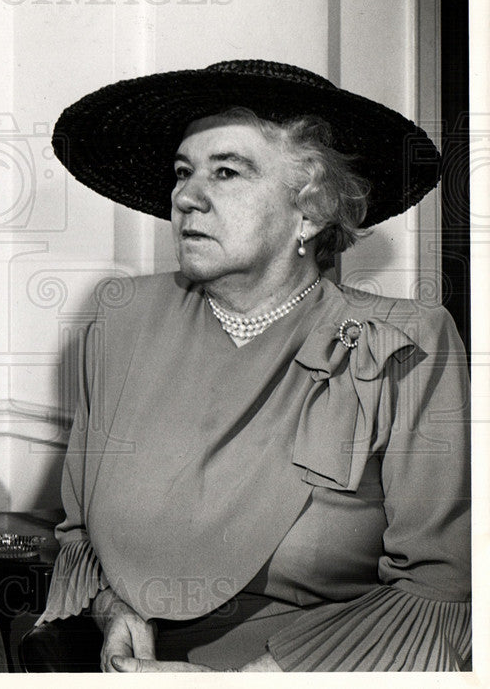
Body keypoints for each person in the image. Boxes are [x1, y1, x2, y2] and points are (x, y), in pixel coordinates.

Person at [23, 60, 470, 672]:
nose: (184, 196)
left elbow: (442, 586)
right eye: (183, 172)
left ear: (309, 212)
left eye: (226, 171)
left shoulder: (407, 341)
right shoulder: (122, 319)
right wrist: (112, 611)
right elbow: (79, 532)